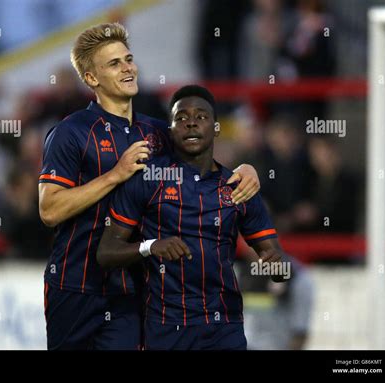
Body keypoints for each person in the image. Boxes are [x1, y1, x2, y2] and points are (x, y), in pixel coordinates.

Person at [38, 23, 261, 350]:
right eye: (114, 63)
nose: (128, 67)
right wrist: (116, 174)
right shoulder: (71, 132)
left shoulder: (158, 133)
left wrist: (244, 169)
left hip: (133, 292)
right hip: (74, 287)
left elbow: (205, 164)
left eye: (128, 59)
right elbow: (49, 210)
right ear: (91, 79)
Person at [97, 85, 290, 350]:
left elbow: (279, 268)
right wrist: (150, 246)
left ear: (216, 128)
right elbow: (106, 253)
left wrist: (278, 266)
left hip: (224, 327)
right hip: (165, 326)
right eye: (181, 118)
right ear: (171, 129)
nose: (190, 124)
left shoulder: (239, 186)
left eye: (200, 117)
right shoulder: (147, 180)